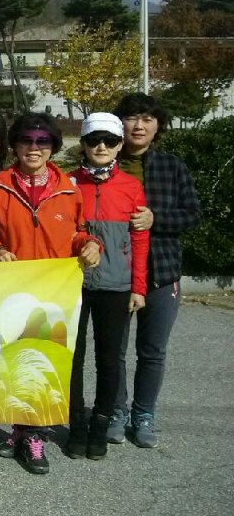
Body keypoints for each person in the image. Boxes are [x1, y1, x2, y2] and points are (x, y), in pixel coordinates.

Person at [0, 112, 102, 475]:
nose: (33, 148)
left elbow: (79, 232)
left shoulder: (68, 188)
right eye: (26, 140)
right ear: (14, 146)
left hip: (53, 292)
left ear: (53, 146)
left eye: (42, 141)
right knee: (12, 359)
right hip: (10, 288)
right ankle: (20, 429)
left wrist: (91, 244)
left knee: (43, 360)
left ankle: (34, 434)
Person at [108, 93, 201, 448]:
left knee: (153, 350)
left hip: (161, 271)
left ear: (157, 125)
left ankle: (143, 413)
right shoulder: (105, 164)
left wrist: (155, 219)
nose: (139, 125)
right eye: (132, 117)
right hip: (116, 272)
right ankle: (116, 411)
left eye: (147, 119)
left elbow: (192, 214)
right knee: (113, 350)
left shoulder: (171, 166)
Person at [66, 113, 148, 461]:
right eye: (94, 140)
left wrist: (138, 286)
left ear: (119, 145)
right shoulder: (68, 183)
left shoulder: (131, 186)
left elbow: (140, 239)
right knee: (72, 357)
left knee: (110, 358)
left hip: (116, 284)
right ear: (84, 144)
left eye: (110, 141)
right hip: (73, 282)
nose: (101, 147)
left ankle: (100, 424)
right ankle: (76, 424)